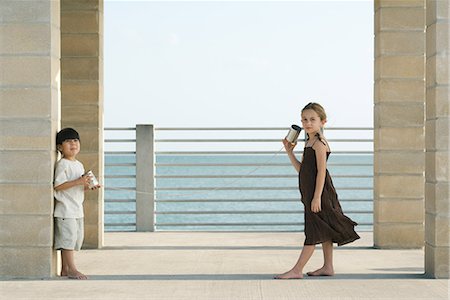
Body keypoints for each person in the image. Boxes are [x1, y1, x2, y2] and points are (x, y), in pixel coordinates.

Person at [275, 102, 360, 279]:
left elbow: (322, 171)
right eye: (304, 119)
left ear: (323, 122)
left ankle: (296, 270)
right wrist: (290, 152)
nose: (307, 123)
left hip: (320, 194)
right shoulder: (308, 143)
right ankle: (328, 267)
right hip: (310, 193)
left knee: (313, 231)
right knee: (325, 228)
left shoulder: (319, 144)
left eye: (312, 119)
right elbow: (303, 170)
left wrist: (316, 198)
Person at [53, 128, 100, 280]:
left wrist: (87, 186)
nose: (73, 144)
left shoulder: (78, 164)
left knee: (74, 239)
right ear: (60, 147)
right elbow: (58, 186)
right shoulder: (63, 164)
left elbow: (77, 187)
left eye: (75, 141)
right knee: (68, 240)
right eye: (68, 141)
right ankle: (72, 269)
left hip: (77, 209)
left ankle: (65, 269)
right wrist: (78, 181)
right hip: (65, 210)